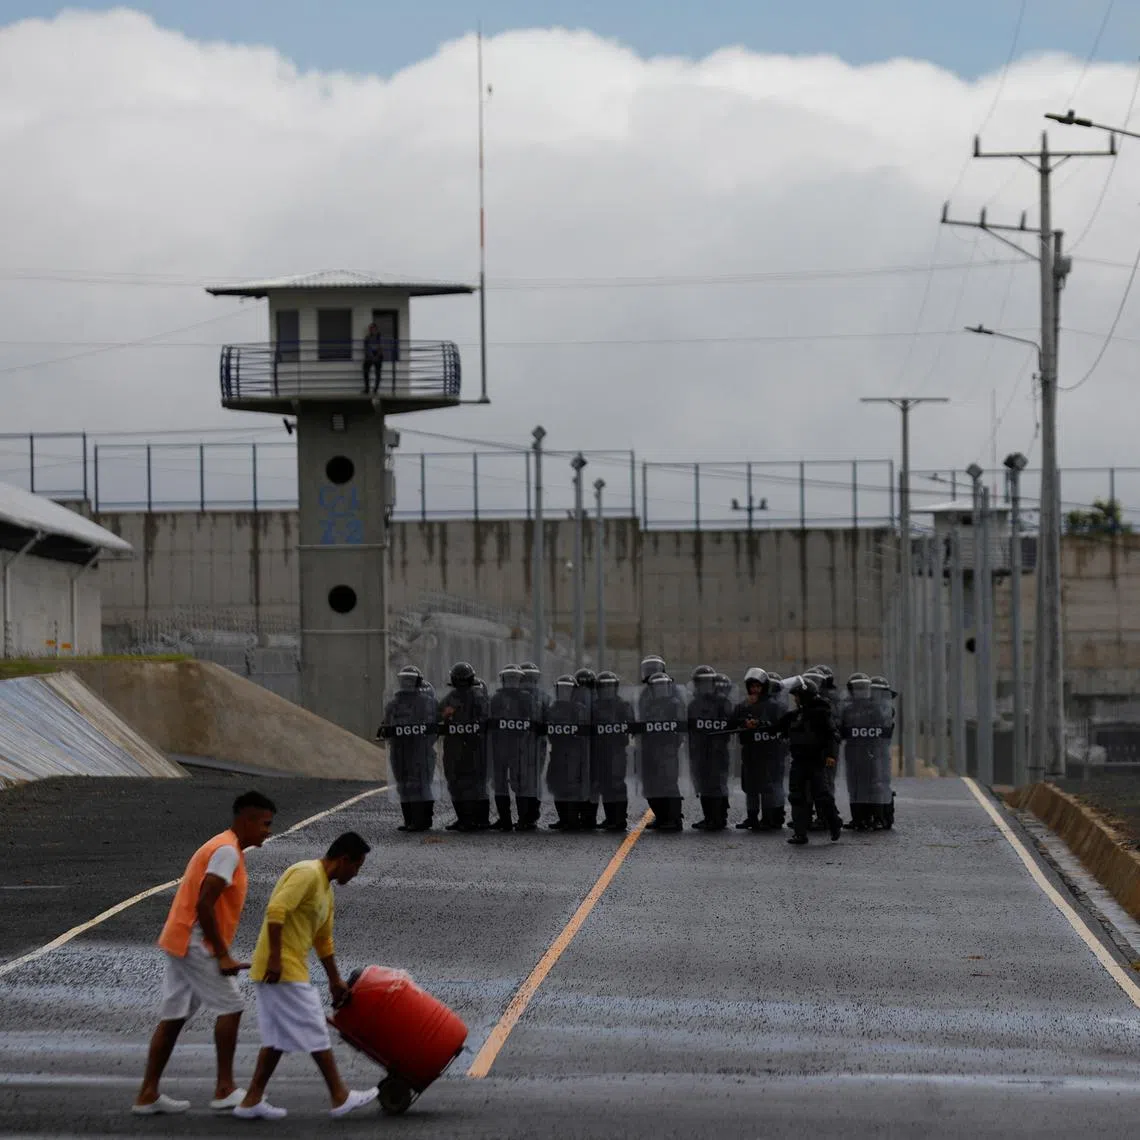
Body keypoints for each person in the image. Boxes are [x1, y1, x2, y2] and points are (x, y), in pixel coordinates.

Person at [133, 791, 277, 1116]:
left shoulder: (225, 846)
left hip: (180, 936)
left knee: (174, 1015)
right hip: (194, 939)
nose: (268, 831)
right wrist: (223, 955)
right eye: (265, 824)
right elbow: (204, 903)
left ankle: (147, 1093)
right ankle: (224, 1089)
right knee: (232, 1006)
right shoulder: (226, 851)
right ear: (246, 820)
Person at [235, 833, 377, 1121]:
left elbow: (323, 941)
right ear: (344, 860)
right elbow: (276, 910)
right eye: (357, 866)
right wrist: (275, 958)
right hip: (281, 968)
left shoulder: (325, 890)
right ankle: (340, 1095)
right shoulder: (307, 873)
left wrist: (335, 980)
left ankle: (250, 1101)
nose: (356, 873)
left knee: (277, 1037)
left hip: (288, 967)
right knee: (314, 1026)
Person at [779, 677, 843, 846]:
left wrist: (830, 755)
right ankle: (800, 833)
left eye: (798, 696)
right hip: (798, 761)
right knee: (797, 796)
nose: (795, 700)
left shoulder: (821, 713)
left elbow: (832, 735)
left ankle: (834, 823)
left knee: (822, 795)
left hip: (816, 762)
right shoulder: (795, 715)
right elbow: (778, 727)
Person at [378, 664, 437, 833]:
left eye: (411, 680)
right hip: (399, 750)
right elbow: (386, 725)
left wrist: (425, 745)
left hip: (420, 750)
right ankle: (409, 820)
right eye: (404, 680)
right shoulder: (393, 704)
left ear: (418, 682)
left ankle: (421, 821)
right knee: (403, 785)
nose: (407, 683)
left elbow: (434, 728)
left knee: (418, 784)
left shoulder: (426, 703)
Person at [488, 664, 542, 832]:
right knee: (499, 784)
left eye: (514, 678)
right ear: (503, 680)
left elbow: (535, 723)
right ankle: (504, 819)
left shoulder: (527, 699)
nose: (511, 682)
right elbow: (489, 723)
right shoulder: (496, 699)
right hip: (500, 748)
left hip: (519, 748)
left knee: (521, 784)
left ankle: (524, 820)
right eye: (508, 678)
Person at [439, 661, 491, 832]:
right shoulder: (451, 698)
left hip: (471, 746)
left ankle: (476, 819)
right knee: (459, 782)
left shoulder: (478, 697)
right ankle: (467, 819)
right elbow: (437, 716)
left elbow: (486, 720)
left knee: (473, 783)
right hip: (458, 747)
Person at [735, 668, 788, 831]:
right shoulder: (744, 705)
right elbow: (733, 720)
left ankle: (769, 818)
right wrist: (744, 722)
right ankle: (752, 817)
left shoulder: (774, 705)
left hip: (770, 752)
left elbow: (782, 726)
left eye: (758, 686)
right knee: (750, 787)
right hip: (750, 751)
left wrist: (762, 725)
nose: (754, 690)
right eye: (752, 686)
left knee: (768, 786)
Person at [686, 665, 734, 830]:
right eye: (701, 682)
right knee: (702, 783)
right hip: (699, 750)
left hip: (717, 750)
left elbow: (729, 727)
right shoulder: (693, 704)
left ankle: (719, 817)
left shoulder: (723, 702)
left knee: (716, 783)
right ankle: (710, 817)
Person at [638, 671, 685, 832]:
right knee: (652, 784)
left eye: (662, 686)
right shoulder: (648, 704)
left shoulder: (675, 703)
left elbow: (681, 729)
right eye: (657, 687)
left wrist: (672, 745)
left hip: (667, 749)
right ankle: (661, 816)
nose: (660, 690)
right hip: (651, 748)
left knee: (668, 783)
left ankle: (674, 819)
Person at [546, 675, 591, 830]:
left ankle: (572, 819)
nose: (564, 692)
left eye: (567, 689)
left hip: (574, 754)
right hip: (557, 751)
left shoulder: (579, 709)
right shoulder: (553, 708)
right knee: (556, 784)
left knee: (572, 785)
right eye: (561, 689)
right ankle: (563, 818)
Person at [592, 671, 634, 831]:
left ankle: (619, 819)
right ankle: (610, 818)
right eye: (604, 687)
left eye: (610, 687)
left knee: (616, 783)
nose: (607, 690)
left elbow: (631, 725)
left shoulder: (622, 705)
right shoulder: (595, 706)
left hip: (617, 750)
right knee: (604, 784)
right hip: (599, 750)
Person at [361, 322, 384, 393]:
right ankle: (367, 389)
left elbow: (381, 347)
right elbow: (366, 348)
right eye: (370, 329)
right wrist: (371, 357)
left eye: (372, 328)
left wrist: (376, 356)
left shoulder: (380, 337)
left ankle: (375, 389)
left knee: (378, 373)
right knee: (365, 370)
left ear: (376, 329)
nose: (371, 330)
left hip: (378, 356)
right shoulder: (367, 337)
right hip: (369, 357)